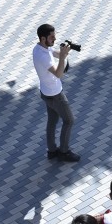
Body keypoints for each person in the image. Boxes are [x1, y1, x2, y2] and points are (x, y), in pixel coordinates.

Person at [33, 24, 79, 162]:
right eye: (52, 37)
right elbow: (59, 74)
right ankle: (64, 152)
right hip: (55, 94)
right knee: (69, 120)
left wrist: (65, 51)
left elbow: (56, 53)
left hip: (46, 92)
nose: (55, 38)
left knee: (52, 121)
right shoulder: (43, 56)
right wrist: (63, 58)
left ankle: (52, 151)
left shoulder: (40, 48)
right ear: (43, 38)